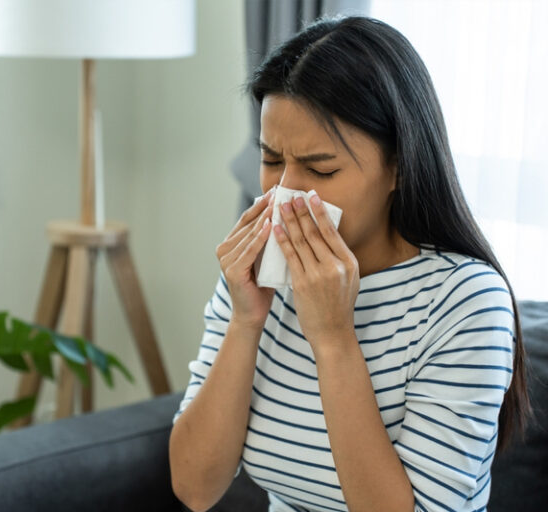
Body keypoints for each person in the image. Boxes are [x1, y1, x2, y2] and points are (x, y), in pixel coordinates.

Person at [168, 15, 531, 512]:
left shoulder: (466, 301)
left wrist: (334, 337)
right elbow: (194, 487)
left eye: (321, 169)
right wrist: (245, 319)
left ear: (399, 165)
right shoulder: (259, 274)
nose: (286, 192)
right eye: (272, 160)